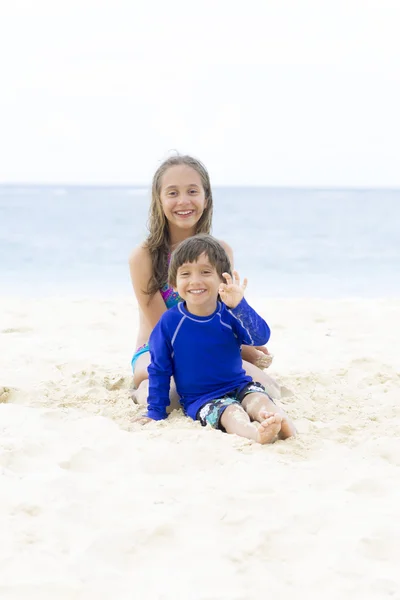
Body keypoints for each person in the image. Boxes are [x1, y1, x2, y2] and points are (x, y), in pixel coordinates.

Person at [129, 154, 279, 408]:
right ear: (159, 199)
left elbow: (225, 313)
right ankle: (144, 393)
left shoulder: (221, 252)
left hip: (211, 345)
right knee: (159, 384)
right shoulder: (144, 256)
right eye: (173, 193)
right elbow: (163, 327)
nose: (183, 201)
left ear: (206, 198)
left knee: (270, 388)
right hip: (158, 349)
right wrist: (243, 353)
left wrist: (243, 346)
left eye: (192, 191)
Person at [139, 235, 295, 444]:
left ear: (222, 280)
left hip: (239, 384)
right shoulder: (169, 322)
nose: (195, 281)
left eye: (205, 272)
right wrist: (155, 412)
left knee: (259, 399)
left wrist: (240, 306)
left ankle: (284, 425)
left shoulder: (230, 314)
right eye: (185, 274)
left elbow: (260, 336)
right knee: (231, 414)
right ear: (174, 284)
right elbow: (159, 369)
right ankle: (256, 434)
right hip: (202, 399)